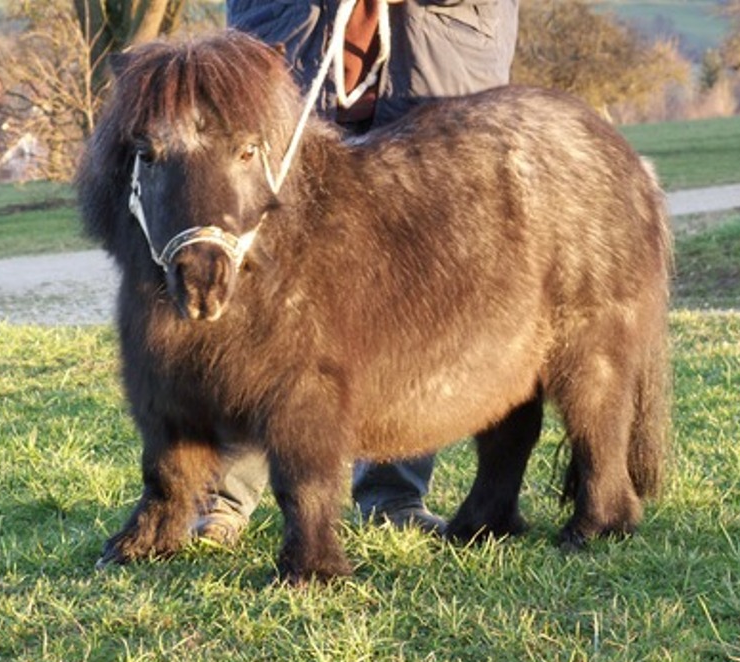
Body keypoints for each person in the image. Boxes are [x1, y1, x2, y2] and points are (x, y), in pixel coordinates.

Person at [196, 0, 520, 545]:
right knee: (260, 298)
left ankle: (393, 494)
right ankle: (223, 496)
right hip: (289, 66)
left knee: (412, 297)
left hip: (437, 80)